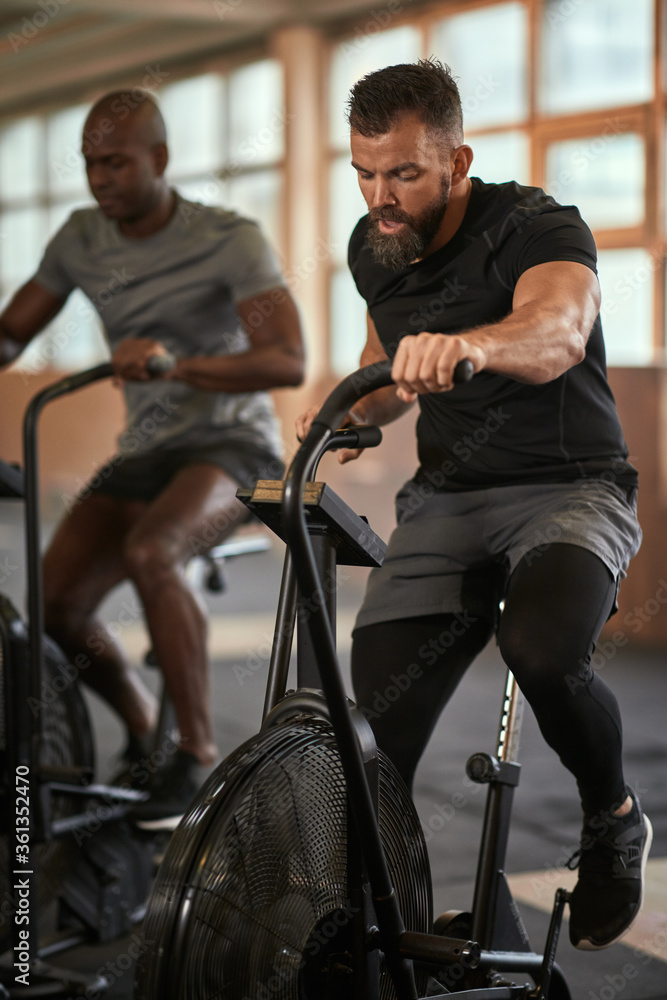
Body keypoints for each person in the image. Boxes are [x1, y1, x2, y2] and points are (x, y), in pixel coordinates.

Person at [297, 59, 650, 952]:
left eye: (405, 173)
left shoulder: (535, 225)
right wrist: (347, 405)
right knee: (369, 740)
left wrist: (469, 346)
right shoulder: (373, 242)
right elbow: (389, 376)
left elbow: (557, 331)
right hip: (448, 500)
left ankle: (612, 820)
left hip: (568, 486)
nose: (383, 194)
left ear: (456, 162)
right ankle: (382, 934)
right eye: (366, 173)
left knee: (540, 648)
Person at [0, 90, 305, 830]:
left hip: (232, 444)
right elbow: (9, 336)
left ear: (159, 160)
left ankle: (194, 755)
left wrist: (175, 365)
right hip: (144, 450)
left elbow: (287, 360)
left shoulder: (229, 238)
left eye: (115, 162)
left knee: (154, 551)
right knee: (53, 609)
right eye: (89, 164)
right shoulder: (79, 237)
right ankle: (145, 725)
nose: (100, 178)